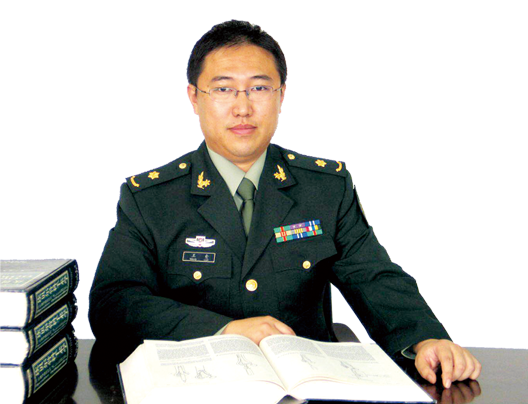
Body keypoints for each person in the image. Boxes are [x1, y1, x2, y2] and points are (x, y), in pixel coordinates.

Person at [89, 20, 481, 389]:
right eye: (223, 89)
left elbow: (373, 278)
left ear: (281, 95)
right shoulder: (151, 198)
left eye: (259, 88)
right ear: (194, 98)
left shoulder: (324, 188)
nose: (243, 108)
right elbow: (114, 303)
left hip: (309, 386)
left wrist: (425, 339)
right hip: (196, 386)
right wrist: (223, 331)